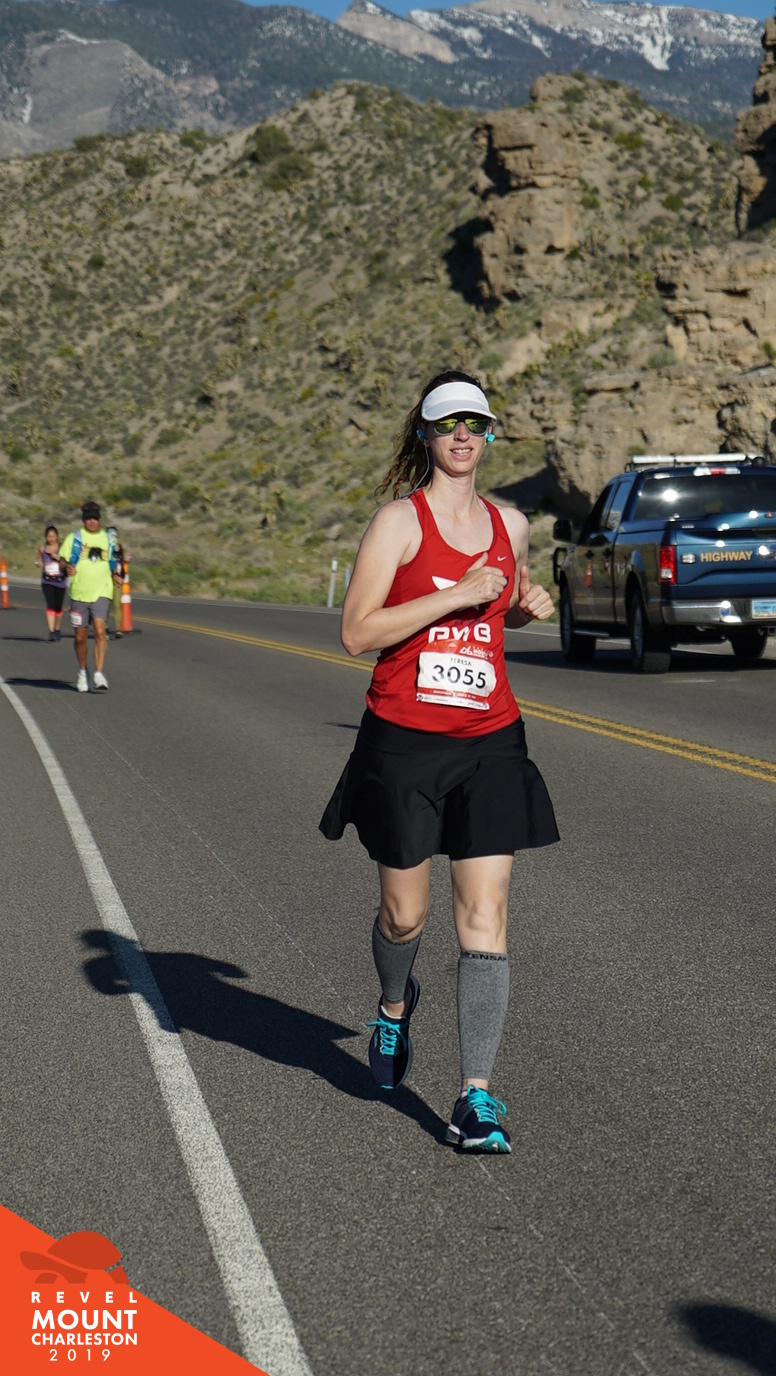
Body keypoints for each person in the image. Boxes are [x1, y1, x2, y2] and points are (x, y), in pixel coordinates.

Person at [320, 370, 559, 1153]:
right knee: (405, 916)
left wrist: (520, 609)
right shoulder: (399, 522)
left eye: (475, 423)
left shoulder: (511, 524)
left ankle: (474, 1097)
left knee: (485, 916)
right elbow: (357, 632)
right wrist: (455, 594)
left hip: (490, 737)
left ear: (489, 434)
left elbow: (498, 610)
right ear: (425, 433)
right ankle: (394, 1006)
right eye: (448, 422)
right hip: (404, 739)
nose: (462, 435)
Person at [58, 501, 119, 693]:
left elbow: (113, 560)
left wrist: (116, 575)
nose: (92, 522)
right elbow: (62, 560)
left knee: (100, 631)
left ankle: (99, 673)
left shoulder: (108, 539)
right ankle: (83, 672)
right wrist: (66, 568)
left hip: (102, 591)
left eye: (95, 518)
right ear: (84, 520)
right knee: (80, 637)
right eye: (88, 518)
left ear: (99, 519)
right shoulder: (74, 538)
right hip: (79, 593)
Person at [35, 524, 67, 641]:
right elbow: (38, 559)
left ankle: (57, 629)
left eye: (53, 536)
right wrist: (39, 563)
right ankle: (51, 631)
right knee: (51, 605)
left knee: (58, 607)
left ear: (57, 536)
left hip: (60, 581)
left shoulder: (62, 548)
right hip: (47, 581)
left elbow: (67, 562)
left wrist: (58, 558)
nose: (51, 539)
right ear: (46, 537)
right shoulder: (42, 549)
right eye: (49, 536)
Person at [105, 526, 127, 639]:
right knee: (107, 604)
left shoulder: (120, 548)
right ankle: (104, 625)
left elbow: (122, 563)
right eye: (110, 535)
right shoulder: (104, 549)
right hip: (106, 578)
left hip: (118, 578)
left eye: (114, 536)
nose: (113, 538)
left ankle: (118, 629)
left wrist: (121, 576)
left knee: (117, 604)